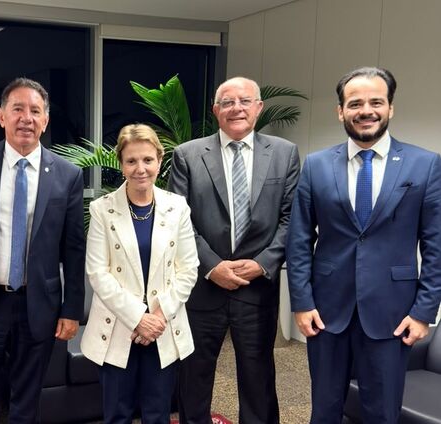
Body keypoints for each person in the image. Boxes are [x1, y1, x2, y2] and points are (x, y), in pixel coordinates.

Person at [286, 66, 441, 423]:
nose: (365, 111)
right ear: (340, 111)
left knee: (382, 412)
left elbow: (435, 247)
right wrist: (302, 303)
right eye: (355, 103)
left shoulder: (425, 165)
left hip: (394, 313)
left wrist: (423, 313)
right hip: (326, 312)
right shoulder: (316, 165)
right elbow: (299, 240)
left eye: (376, 102)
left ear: (390, 108)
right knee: (324, 410)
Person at [0, 77, 85, 423]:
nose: (27, 118)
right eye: (18, 109)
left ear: (45, 120)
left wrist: (72, 309)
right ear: (1, 116)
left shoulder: (67, 175)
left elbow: (73, 247)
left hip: (38, 306)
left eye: (35, 111)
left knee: (27, 403)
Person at [169, 76, 300, 424]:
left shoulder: (285, 153)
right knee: (194, 377)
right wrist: (212, 266)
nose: (236, 108)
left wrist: (263, 263)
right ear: (216, 111)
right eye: (227, 102)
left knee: (258, 378)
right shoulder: (188, 155)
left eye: (244, 101)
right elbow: (177, 221)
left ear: (259, 107)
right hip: (202, 287)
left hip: (257, 288)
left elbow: (292, 219)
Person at [80, 124, 199, 423]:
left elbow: (188, 269)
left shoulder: (177, 207)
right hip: (117, 327)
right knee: (117, 415)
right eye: (131, 161)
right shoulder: (102, 209)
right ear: (121, 164)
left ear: (159, 160)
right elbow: (97, 272)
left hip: (163, 327)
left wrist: (156, 318)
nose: (140, 169)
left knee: (158, 415)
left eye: (147, 159)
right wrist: (138, 318)